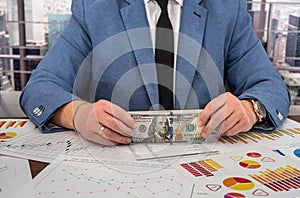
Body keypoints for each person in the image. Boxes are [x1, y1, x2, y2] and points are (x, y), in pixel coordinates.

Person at [20, 0, 290, 146]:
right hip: (117, 161)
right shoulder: (94, 7)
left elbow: (270, 86)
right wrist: (77, 115)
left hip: (207, 159)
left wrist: (250, 108)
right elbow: (41, 87)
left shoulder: (226, 7)